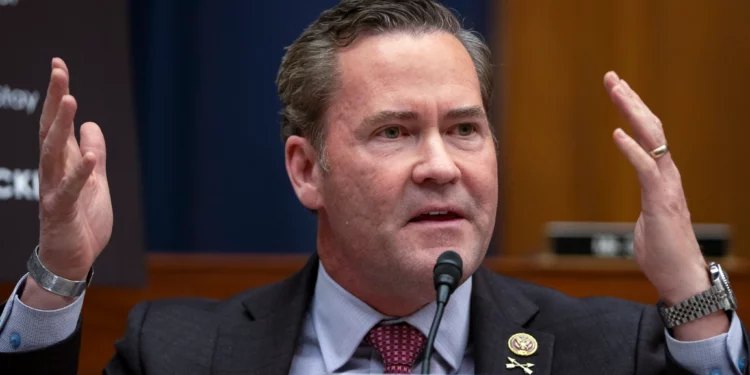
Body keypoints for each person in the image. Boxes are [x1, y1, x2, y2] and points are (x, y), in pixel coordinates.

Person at [0, 0, 747, 374]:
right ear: (305, 169)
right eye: (393, 132)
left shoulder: (607, 351)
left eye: (464, 128)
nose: (441, 165)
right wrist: (59, 271)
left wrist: (688, 286)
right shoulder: (176, 351)